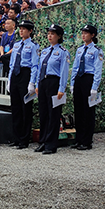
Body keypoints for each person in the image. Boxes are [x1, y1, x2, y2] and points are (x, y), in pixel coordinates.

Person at [35, 24, 70, 155]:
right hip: (43, 81)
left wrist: (62, 88)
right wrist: (37, 84)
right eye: (49, 33)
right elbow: (39, 69)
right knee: (43, 113)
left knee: (53, 114)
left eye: (53, 34)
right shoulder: (44, 51)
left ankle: (51, 143)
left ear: (59, 36)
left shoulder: (62, 52)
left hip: (54, 83)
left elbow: (64, 71)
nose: (50, 36)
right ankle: (43, 141)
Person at [70, 25, 103, 150]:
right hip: (79, 79)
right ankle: (78, 139)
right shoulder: (80, 50)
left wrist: (94, 87)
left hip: (89, 79)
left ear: (93, 35)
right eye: (82, 33)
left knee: (88, 112)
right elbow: (75, 67)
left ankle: (87, 141)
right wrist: (72, 83)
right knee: (78, 110)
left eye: (86, 33)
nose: (83, 35)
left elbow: (97, 70)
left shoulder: (96, 50)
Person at [7, 20, 39, 149]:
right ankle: (16, 137)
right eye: (20, 29)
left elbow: (34, 65)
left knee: (26, 108)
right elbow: (12, 63)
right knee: (15, 107)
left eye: (24, 29)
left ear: (30, 31)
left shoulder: (33, 46)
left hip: (26, 74)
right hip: (15, 73)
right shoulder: (16, 45)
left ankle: (24, 139)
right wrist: (9, 79)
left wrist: (32, 82)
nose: (21, 31)